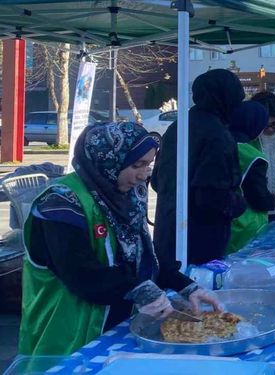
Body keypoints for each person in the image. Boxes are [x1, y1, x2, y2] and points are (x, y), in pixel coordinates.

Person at [19, 122, 220, 355]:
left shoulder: (125, 196)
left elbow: (144, 257)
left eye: (148, 165)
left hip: (115, 328)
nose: (144, 174)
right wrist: (139, 289)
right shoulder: (60, 204)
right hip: (66, 336)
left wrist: (184, 285)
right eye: (137, 165)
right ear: (109, 161)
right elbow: (82, 276)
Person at [151, 69, 246, 265]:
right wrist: (239, 204)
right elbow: (212, 197)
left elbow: (156, 180)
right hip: (201, 239)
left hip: (167, 230)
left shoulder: (178, 126)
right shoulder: (218, 135)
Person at [226, 101, 275, 253]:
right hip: (246, 229)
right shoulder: (253, 156)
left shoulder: (220, 144)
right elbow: (258, 199)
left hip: (222, 222)